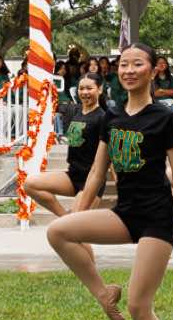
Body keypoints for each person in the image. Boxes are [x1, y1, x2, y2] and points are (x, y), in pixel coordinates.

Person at [46, 43, 173, 320]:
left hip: (157, 217)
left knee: (138, 305)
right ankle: (104, 293)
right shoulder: (111, 118)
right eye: (123, 65)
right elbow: (96, 173)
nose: (129, 70)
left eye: (137, 64)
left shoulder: (164, 117)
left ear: (153, 70)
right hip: (125, 212)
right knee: (58, 231)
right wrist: (79, 212)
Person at [20, 73, 113, 218]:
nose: (85, 92)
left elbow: (108, 155)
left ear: (100, 89)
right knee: (30, 184)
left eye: (89, 88)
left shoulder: (103, 118)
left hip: (91, 180)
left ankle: (68, 221)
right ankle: (64, 217)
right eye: (81, 88)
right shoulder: (74, 111)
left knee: (75, 228)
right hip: (72, 175)